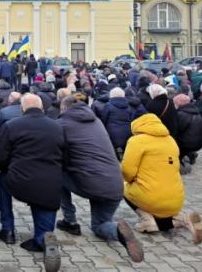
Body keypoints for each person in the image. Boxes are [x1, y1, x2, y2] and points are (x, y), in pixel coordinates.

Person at [56, 97, 143, 262]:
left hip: (91, 185)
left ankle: (70, 221)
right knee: (99, 225)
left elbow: (57, 153)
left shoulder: (63, 125)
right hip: (115, 186)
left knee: (57, 174)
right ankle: (117, 231)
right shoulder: (96, 121)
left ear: (64, 109)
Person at [0, 94, 63, 272]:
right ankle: (43, 238)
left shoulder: (11, 126)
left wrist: (9, 167)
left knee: (1, 178)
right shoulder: (58, 127)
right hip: (50, 184)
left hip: (19, 181)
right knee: (45, 195)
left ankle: (8, 229)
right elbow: (66, 158)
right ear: (43, 109)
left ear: (22, 109)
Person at [122, 113, 202, 244]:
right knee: (161, 202)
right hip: (176, 200)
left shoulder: (136, 141)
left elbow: (127, 170)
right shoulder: (170, 140)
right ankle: (182, 219)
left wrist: (130, 181)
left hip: (151, 198)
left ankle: (147, 220)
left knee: (123, 187)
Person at [173, 94, 202, 173]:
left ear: (179, 103)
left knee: (173, 139)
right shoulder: (195, 111)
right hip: (199, 142)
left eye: (175, 102)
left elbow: (176, 130)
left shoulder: (182, 114)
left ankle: (182, 163)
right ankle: (191, 154)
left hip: (188, 143)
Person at [101, 87, 136, 160]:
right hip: (127, 131)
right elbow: (132, 118)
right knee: (126, 149)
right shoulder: (129, 106)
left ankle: (117, 160)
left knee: (113, 149)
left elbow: (104, 119)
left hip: (112, 132)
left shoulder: (108, 105)